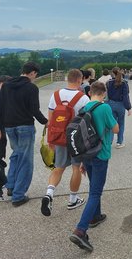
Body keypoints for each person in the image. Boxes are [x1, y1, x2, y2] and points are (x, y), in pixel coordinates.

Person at [69, 81, 119, 252]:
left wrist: (82, 161)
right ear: (103, 93)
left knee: (93, 187)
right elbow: (116, 129)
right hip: (100, 154)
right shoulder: (104, 108)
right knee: (95, 192)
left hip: (87, 154)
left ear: (90, 92)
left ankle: (95, 216)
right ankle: (81, 230)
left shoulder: (84, 107)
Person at [0, 61, 48, 206]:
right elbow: (35, 109)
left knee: (16, 155)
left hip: (9, 127)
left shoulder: (7, 86)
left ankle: (11, 186)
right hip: (25, 126)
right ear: (33, 73)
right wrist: (45, 122)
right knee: (25, 160)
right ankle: (18, 195)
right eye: (35, 75)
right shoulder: (31, 87)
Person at [41, 69, 90, 217]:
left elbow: (50, 121)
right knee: (76, 168)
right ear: (79, 80)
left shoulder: (55, 95)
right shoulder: (83, 98)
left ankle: (49, 193)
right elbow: (87, 122)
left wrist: (51, 140)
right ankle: (72, 199)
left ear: (67, 79)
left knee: (58, 168)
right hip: (76, 139)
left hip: (59, 138)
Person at [106, 67, 132, 149]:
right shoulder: (124, 83)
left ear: (112, 73)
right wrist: (128, 108)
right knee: (121, 123)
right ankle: (119, 142)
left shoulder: (109, 83)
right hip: (120, 105)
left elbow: (107, 95)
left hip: (111, 103)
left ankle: (109, 141)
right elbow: (125, 96)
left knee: (111, 123)